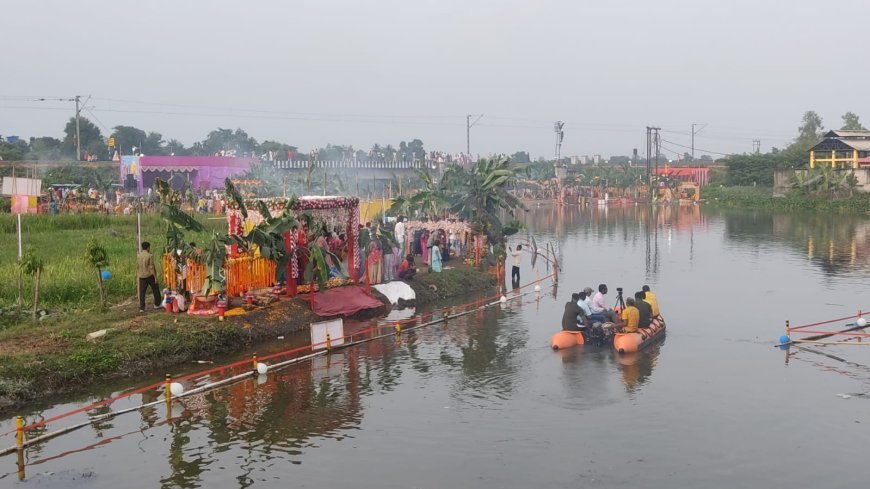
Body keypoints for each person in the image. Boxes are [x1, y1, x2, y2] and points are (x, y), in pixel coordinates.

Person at [137, 242, 162, 312]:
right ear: (148, 247)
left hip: (141, 276)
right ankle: (157, 304)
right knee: (155, 288)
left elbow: (138, 266)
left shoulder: (138, 255)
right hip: (149, 275)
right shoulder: (149, 256)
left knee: (142, 292)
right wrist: (155, 277)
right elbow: (151, 267)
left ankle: (142, 307)